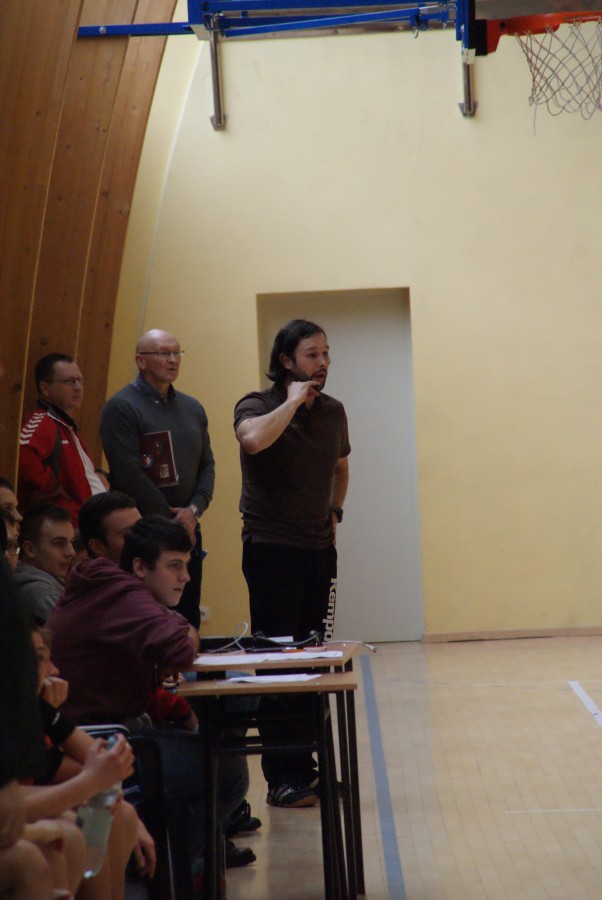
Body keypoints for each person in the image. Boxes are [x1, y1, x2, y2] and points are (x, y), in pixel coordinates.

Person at [47, 516, 249, 870]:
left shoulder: (114, 590)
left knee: (222, 725)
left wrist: (183, 633)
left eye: (187, 565)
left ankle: (178, 861)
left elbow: (176, 637)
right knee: (226, 768)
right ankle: (168, 872)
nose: (185, 577)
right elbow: (179, 647)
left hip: (101, 729)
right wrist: (187, 632)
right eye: (174, 566)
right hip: (97, 738)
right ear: (140, 567)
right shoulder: (123, 594)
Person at [234, 318, 350, 808]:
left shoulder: (334, 411)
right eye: (311, 354)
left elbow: (341, 466)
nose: (323, 363)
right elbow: (253, 441)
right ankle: (282, 777)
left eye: (326, 353)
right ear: (286, 361)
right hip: (272, 549)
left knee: (313, 661)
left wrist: (335, 511)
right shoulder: (257, 404)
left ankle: (308, 768)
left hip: (318, 550)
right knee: (279, 663)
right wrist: (292, 402)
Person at [100, 330, 215, 630]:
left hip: (188, 529)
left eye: (177, 353)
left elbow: (207, 465)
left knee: (187, 618)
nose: (173, 360)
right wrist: (171, 521)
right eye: (164, 353)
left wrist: (193, 512)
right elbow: (128, 474)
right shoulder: (121, 407)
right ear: (141, 361)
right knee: (149, 619)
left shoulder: (192, 408)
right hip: (147, 532)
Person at [18, 353, 106, 526]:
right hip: (67, 524)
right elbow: (21, 456)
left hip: (86, 520)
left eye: (80, 380)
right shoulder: (42, 421)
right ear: (45, 389)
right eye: (69, 381)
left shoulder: (64, 425)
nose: (78, 387)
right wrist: (52, 487)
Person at [14, 502, 75, 623]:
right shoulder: (41, 592)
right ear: (30, 549)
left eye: (71, 542)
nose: (71, 552)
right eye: (59, 543)